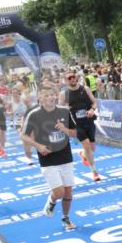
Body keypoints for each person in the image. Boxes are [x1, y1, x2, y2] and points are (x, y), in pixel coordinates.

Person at [21, 86, 78, 230]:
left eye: (53, 94)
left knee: (68, 190)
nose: (50, 98)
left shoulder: (65, 111)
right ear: (40, 97)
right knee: (59, 192)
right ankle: (51, 201)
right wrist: (38, 146)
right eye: (46, 95)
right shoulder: (33, 114)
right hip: (47, 157)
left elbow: (75, 133)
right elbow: (23, 135)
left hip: (65, 155)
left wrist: (64, 129)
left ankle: (66, 218)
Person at [60, 70, 102, 181]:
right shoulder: (64, 94)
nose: (72, 79)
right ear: (66, 81)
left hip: (88, 121)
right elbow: (59, 109)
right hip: (76, 124)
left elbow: (94, 103)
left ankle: (83, 154)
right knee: (86, 144)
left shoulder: (85, 89)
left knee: (92, 148)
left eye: (73, 77)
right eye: (69, 78)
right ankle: (95, 172)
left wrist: (92, 110)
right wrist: (65, 109)